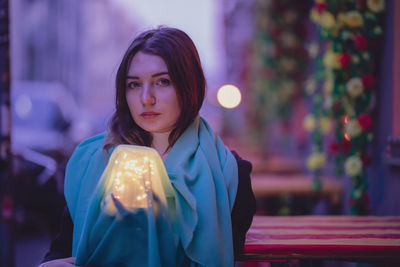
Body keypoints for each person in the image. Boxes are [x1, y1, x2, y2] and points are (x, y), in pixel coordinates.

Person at [40, 27, 255, 267]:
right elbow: (62, 248)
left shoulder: (229, 173)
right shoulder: (92, 160)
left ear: (190, 86)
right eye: (134, 84)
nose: (146, 98)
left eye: (162, 82)